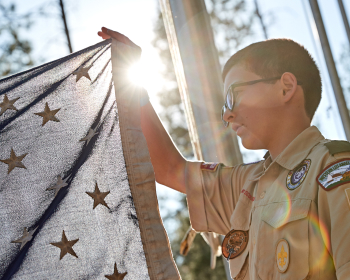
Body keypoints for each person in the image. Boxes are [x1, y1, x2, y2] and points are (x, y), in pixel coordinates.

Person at [98, 27, 350, 279]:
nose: (227, 115)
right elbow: (168, 168)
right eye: (224, 106)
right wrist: (132, 87)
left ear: (285, 87)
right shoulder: (248, 186)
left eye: (233, 95)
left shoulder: (335, 169)